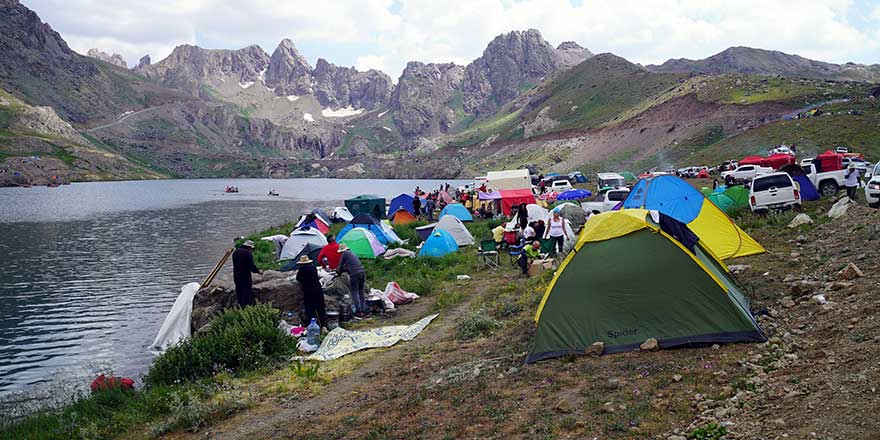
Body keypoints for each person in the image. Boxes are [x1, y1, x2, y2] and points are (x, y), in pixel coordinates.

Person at [295, 255, 327, 328]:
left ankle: (312, 325)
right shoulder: (313, 268)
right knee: (320, 307)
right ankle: (323, 325)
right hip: (318, 289)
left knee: (310, 308)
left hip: (308, 291)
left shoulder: (302, 269)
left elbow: (298, 279)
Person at [337, 245, 367, 317]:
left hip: (355, 274)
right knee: (361, 291)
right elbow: (352, 266)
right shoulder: (352, 253)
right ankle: (363, 309)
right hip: (362, 272)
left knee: (354, 292)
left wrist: (338, 272)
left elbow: (340, 266)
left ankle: (358, 311)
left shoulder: (344, 254)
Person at [232, 240, 261, 307]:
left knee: (239, 291)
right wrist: (258, 271)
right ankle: (247, 307)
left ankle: (240, 306)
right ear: (249, 247)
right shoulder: (247, 253)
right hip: (245, 276)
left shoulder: (235, 252)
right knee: (246, 291)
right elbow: (251, 266)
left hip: (236, 275)